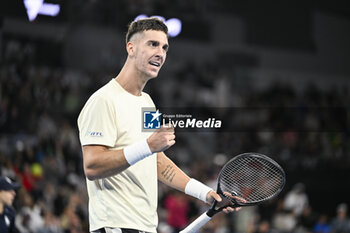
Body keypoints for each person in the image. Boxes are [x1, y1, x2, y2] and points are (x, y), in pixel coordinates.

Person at [78, 17, 238, 233]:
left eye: (164, 47)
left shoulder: (148, 104)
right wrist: (149, 146)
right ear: (131, 48)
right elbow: (92, 166)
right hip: (115, 226)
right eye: (152, 44)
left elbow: (157, 162)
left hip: (145, 227)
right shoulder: (103, 100)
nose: (160, 53)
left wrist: (206, 194)